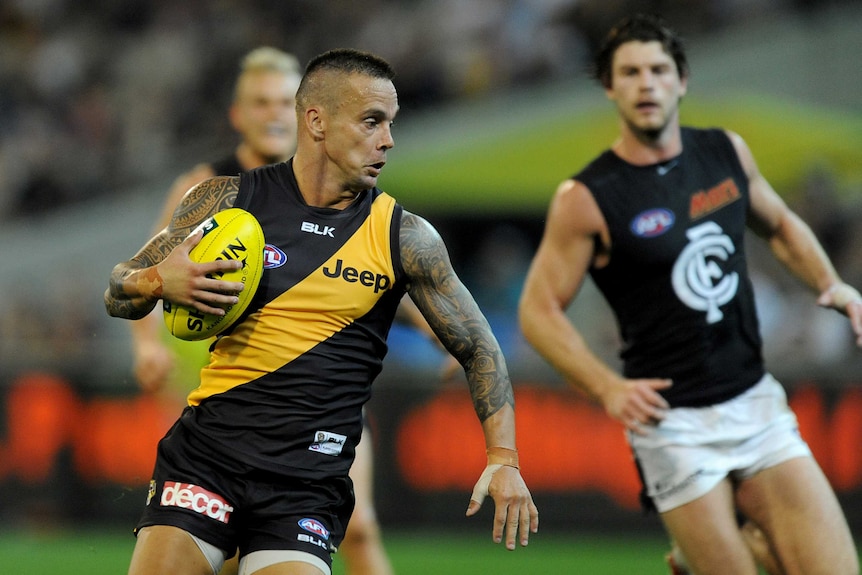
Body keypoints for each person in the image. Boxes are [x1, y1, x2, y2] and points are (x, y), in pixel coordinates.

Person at [106, 48, 538, 575]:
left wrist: (504, 460)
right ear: (316, 121)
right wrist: (156, 280)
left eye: (391, 124)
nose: (388, 140)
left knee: (363, 532)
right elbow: (118, 290)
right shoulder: (225, 198)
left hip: (305, 486)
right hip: (206, 460)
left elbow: (479, 345)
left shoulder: (405, 236)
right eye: (372, 121)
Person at [518, 14, 859, 575]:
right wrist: (606, 387)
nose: (645, 83)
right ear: (610, 88)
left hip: (755, 403)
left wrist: (830, 283)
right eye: (629, 72)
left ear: (682, 80)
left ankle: (712, 553)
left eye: (658, 69)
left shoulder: (725, 153)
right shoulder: (586, 197)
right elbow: (537, 310)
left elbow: (780, 224)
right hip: (672, 425)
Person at [128, 46, 400, 575]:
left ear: (307, 112)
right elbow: (152, 270)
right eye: (260, 102)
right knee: (225, 547)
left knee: (360, 526)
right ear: (239, 114)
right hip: (228, 391)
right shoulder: (209, 190)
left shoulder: (345, 193)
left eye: (282, 100)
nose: (273, 113)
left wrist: (427, 323)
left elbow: (369, 277)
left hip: (318, 403)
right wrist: (145, 346)